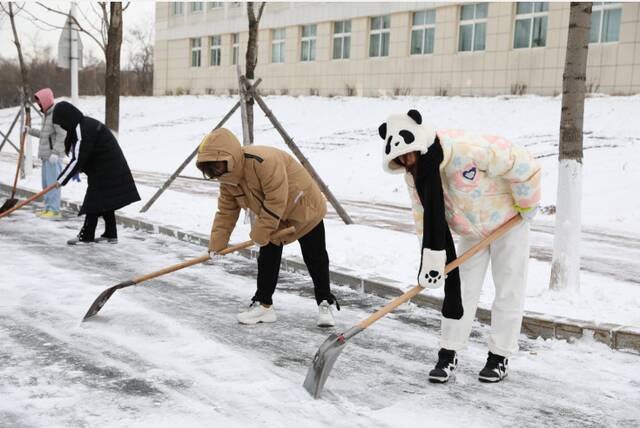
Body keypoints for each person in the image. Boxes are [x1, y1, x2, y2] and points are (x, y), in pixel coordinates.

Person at [378, 109, 541, 383]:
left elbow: (522, 163)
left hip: (507, 221)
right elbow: (423, 218)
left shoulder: (467, 150)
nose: (409, 164)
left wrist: (526, 205)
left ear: (421, 144)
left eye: (410, 156)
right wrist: (431, 262)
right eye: (402, 160)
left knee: (509, 288)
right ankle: (448, 353)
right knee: (461, 290)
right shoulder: (415, 176)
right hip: (472, 232)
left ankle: (499, 357)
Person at [196, 128, 339, 327]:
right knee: (268, 257)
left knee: (315, 257)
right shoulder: (228, 181)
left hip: (304, 207)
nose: (215, 174)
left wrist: (260, 233)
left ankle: (325, 303)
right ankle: (264, 305)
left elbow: (275, 199)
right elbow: (226, 213)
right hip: (276, 217)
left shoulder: (263, 161)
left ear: (229, 157)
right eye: (210, 170)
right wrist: (216, 245)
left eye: (216, 167)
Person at [52, 101, 141, 245]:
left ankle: (86, 236)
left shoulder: (82, 128)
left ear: (67, 118)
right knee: (105, 201)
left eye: (62, 123)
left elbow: (78, 158)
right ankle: (110, 234)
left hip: (107, 168)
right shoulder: (84, 124)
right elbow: (86, 154)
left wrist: (61, 180)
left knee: (93, 201)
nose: (63, 127)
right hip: (108, 167)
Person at [24, 88, 66, 219]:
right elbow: (44, 135)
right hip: (46, 156)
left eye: (40, 102)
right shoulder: (47, 115)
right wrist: (30, 131)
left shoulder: (56, 115)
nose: (39, 105)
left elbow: (62, 134)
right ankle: (48, 208)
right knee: (46, 185)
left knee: (53, 184)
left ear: (46, 101)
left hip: (53, 157)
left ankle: (54, 210)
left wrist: (56, 152)